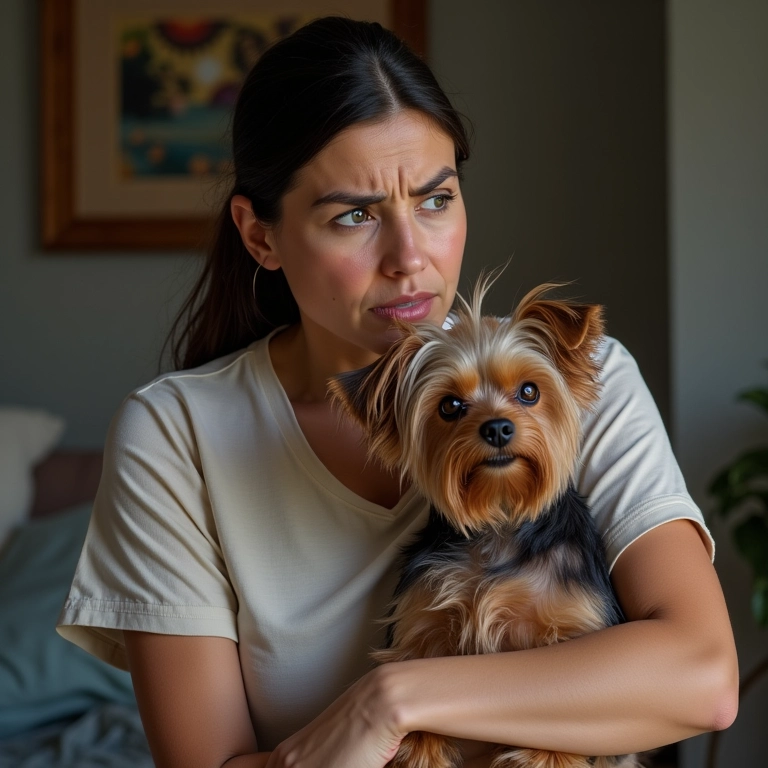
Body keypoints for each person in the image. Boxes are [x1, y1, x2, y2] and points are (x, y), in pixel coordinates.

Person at [57, 16, 738, 768]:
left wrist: (397, 698)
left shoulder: (576, 379)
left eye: (436, 200)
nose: (410, 258)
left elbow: (702, 681)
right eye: (354, 215)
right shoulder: (178, 434)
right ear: (260, 237)